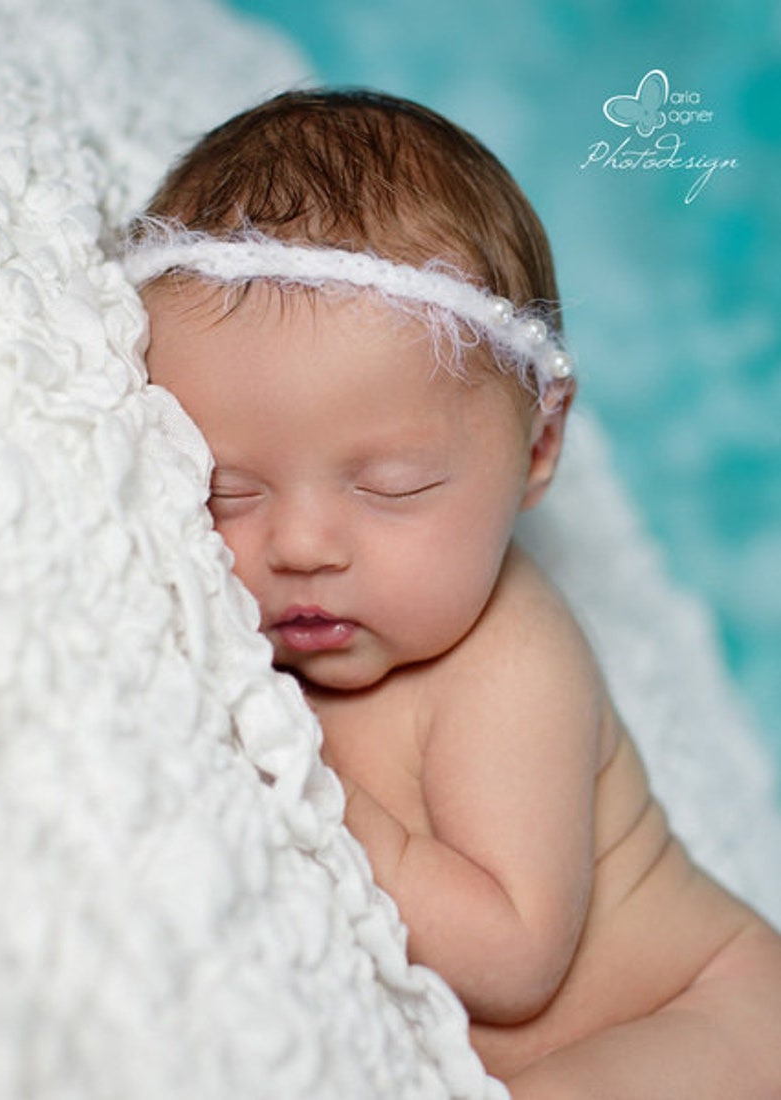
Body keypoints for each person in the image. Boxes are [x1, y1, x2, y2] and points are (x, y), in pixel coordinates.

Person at [124, 89, 781, 1098]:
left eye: (392, 487)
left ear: (538, 446)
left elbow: (514, 954)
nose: (298, 543)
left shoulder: (508, 657)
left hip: (710, 1008)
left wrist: (314, 780)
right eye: (228, 491)